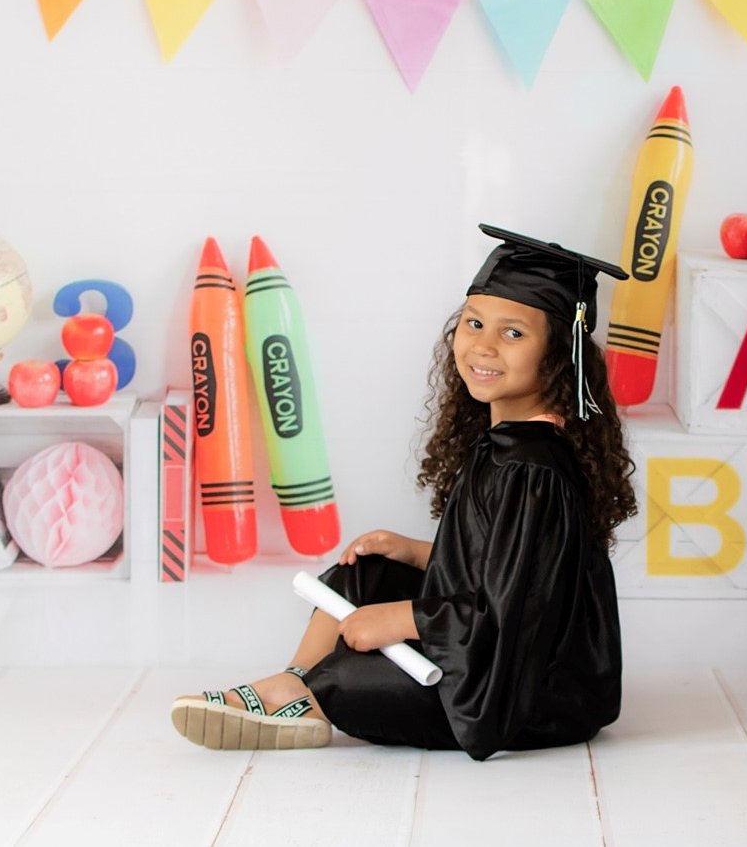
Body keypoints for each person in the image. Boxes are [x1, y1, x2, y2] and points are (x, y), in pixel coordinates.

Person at [171, 224, 637, 761]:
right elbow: (506, 564)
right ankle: (296, 686)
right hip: (489, 642)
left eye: (513, 333)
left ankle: (308, 696)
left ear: (558, 354)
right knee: (365, 571)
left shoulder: (532, 467)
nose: (483, 345)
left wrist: (403, 619)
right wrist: (416, 554)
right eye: (474, 323)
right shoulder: (508, 443)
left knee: (348, 677)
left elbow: (514, 612)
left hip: (538, 689)